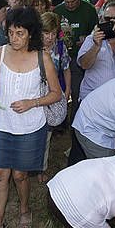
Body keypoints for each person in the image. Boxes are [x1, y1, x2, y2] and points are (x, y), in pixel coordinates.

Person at [0, 7, 62, 228]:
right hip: (5, 125)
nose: (14, 38)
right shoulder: (1, 53)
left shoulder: (42, 57)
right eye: (11, 33)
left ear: (30, 34)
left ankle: (25, 209)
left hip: (30, 127)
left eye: (20, 33)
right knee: (1, 174)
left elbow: (57, 94)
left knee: (19, 175)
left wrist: (32, 102)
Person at [37, 11, 71, 182]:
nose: (49, 37)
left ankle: (41, 167)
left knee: (47, 135)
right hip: (35, 96)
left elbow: (66, 69)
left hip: (52, 96)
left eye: (52, 33)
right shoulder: (32, 48)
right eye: (45, 33)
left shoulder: (60, 47)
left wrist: (67, 91)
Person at [53, 0, 98, 109]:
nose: (70, 5)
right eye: (67, 2)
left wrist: (88, 39)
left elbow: (96, 32)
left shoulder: (89, 10)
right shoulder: (57, 11)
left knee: (77, 90)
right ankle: (60, 122)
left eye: (73, 1)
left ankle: (74, 121)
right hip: (61, 56)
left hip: (80, 56)